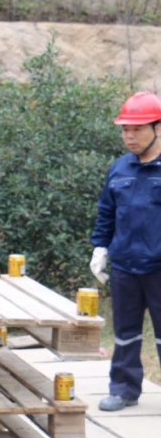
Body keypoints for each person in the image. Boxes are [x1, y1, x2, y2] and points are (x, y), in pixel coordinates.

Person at [90, 92, 161, 411]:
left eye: (138, 129)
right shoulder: (119, 169)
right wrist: (100, 247)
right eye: (125, 129)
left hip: (159, 267)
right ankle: (123, 389)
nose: (129, 136)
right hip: (125, 268)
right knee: (125, 332)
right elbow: (106, 211)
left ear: (158, 128)